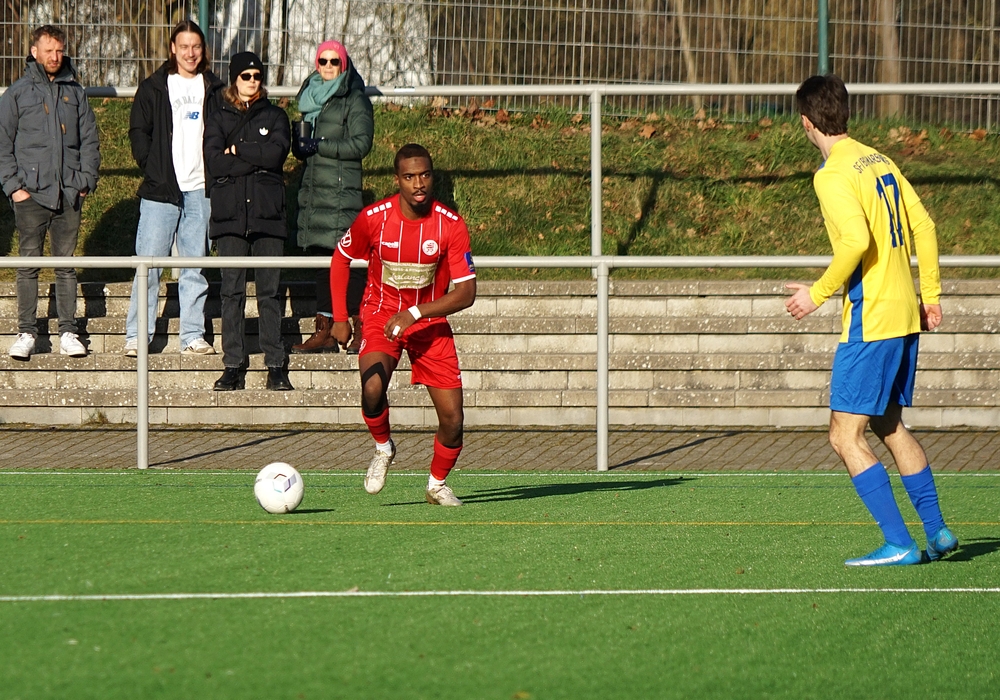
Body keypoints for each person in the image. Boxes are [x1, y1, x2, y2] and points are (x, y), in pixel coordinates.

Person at [785, 74, 956, 567]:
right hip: (903, 314)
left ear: (806, 122)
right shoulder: (879, 159)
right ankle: (938, 532)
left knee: (843, 435)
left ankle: (899, 543)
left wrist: (816, 294)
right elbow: (925, 225)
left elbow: (856, 241)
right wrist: (930, 295)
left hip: (872, 318)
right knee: (888, 423)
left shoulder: (831, 173)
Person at [330, 144, 476, 506]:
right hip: (381, 315)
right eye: (409, 177)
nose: (418, 183)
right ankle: (383, 447)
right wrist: (339, 318)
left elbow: (467, 292)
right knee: (372, 387)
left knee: (453, 420)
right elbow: (340, 258)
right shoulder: (373, 218)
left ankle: (436, 485)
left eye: (424, 175)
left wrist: (416, 313)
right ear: (397, 180)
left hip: (428, 323)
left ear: (432, 177)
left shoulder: (450, 224)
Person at [124, 20, 223, 357]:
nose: (190, 53)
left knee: (195, 267)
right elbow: (139, 130)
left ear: (203, 50)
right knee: (148, 266)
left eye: (196, 46)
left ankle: (192, 335)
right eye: (184, 47)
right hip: (161, 189)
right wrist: (150, 165)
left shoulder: (214, 88)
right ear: (172, 49)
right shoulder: (154, 86)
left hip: (201, 190)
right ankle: (138, 335)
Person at [0, 25, 99, 360]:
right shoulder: (17, 94)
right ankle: (27, 332)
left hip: (68, 194)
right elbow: (3, 145)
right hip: (30, 195)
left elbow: (89, 140)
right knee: (28, 264)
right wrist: (14, 188)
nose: (56, 56)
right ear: (34, 52)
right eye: (49, 50)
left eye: (60, 50)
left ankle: (68, 331)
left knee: (65, 265)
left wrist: (84, 182)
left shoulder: (75, 92)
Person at [204, 51, 292, 391]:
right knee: (232, 292)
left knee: (270, 292)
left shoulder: (276, 115)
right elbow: (215, 162)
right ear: (234, 78)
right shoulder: (218, 117)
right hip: (230, 216)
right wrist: (257, 155)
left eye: (257, 76)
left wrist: (238, 150)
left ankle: (275, 364)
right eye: (246, 76)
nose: (252, 81)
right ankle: (233, 365)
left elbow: (276, 154)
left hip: (268, 215)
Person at [291, 40, 373, 355]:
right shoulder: (310, 96)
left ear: (343, 64)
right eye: (322, 61)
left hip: (341, 193)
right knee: (321, 260)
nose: (327, 67)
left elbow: (361, 143)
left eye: (334, 61)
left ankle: (360, 326)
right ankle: (324, 329)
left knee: (350, 260)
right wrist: (301, 147)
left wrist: (320, 145)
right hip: (314, 192)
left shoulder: (354, 98)